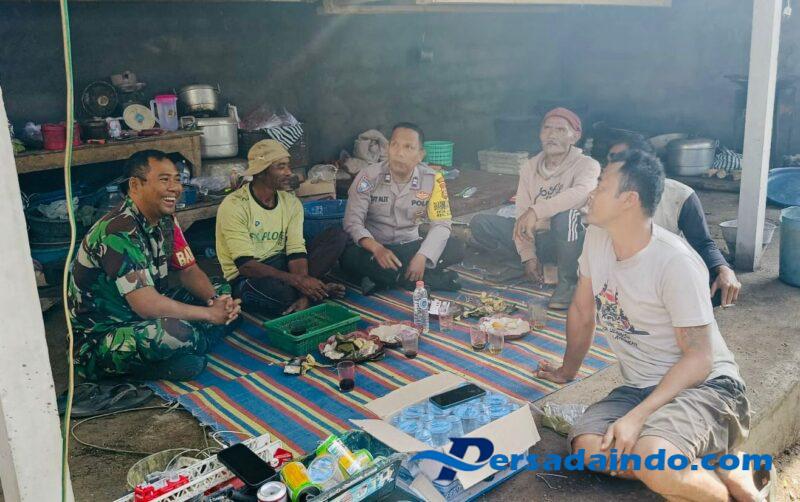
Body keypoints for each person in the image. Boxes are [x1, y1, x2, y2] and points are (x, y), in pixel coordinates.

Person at [535, 149, 757, 501]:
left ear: (629, 200)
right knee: (588, 448)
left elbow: (700, 359)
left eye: (601, 186)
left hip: (708, 386)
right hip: (641, 387)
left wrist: (638, 416)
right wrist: (567, 370)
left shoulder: (675, 262)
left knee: (653, 461)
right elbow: (581, 309)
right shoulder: (597, 238)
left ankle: (727, 484)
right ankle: (714, 462)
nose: (591, 193)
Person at [67, 150, 241, 382]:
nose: (175, 188)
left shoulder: (164, 219)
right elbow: (147, 306)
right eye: (164, 180)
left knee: (221, 288)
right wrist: (210, 315)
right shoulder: (118, 231)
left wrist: (215, 302)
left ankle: (189, 347)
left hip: (143, 316)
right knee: (177, 332)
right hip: (102, 339)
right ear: (135, 185)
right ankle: (190, 346)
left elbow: (188, 270)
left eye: (177, 179)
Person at [470, 107, 601, 309]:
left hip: (571, 243)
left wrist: (536, 212)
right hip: (539, 239)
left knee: (566, 217)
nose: (552, 135)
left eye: (560, 130)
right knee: (481, 223)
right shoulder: (529, 167)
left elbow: (580, 194)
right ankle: (523, 267)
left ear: (575, 136)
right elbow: (522, 215)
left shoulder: (587, 165)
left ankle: (567, 282)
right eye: (547, 128)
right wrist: (528, 256)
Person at [607, 133, 741, 307]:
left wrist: (725, 270)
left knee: (718, 285)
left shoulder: (680, 195)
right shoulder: (604, 197)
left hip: (664, 270)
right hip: (621, 270)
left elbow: (702, 243)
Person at [216, 140, 347, 316]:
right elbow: (246, 266)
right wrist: (299, 281)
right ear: (261, 172)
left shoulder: (291, 203)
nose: (289, 172)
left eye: (288, 166)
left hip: (282, 264)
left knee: (337, 236)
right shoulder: (235, 205)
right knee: (280, 293)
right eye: (281, 167)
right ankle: (318, 288)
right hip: (248, 276)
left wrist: (302, 290)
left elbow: (295, 251)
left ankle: (307, 295)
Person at [341, 122, 464, 295]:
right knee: (348, 258)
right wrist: (377, 249)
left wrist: (422, 256)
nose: (399, 153)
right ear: (388, 148)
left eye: (408, 147)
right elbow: (352, 222)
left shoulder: (433, 179)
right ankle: (425, 279)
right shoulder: (368, 176)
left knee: (456, 247)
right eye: (395, 145)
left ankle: (387, 279)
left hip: (410, 247)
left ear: (420, 155)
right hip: (374, 249)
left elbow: (442, 224)